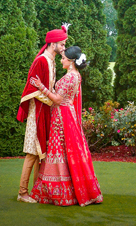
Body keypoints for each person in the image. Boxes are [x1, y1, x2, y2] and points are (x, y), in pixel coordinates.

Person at [29, 46, 103, 206]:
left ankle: (59, 191)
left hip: (61, 116)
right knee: (64, 151)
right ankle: (71, 190)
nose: (61, 60)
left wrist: (40, 86)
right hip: (66, 114)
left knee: (58, 150)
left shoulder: (71, 77)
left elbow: (57, 99)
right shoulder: (75, 75)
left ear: (70, 61)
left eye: (63, 58)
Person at [15, 25, 68, 203]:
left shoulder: (51, 61)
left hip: (46, 112)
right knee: (32, 153)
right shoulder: (41, 61)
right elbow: (32, 90)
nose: (63, 48)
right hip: (37, 113)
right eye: (62, 44)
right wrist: (52, 100)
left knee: (40, 154)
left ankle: (37, 191)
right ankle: (22, 193)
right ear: (52, 44)